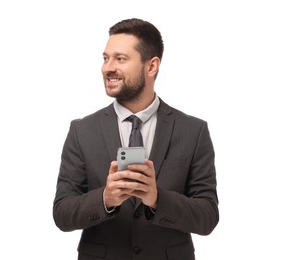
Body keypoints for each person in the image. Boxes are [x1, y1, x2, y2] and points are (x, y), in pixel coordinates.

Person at [53, 18, 219, 260]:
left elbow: (207, 217)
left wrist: (157, 198)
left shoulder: (193, 131)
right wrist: (105, 198)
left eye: (120, 59)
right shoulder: (82, 130)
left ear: (151, 66)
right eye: (105, 58)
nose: (107, 68)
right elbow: (62, 214)